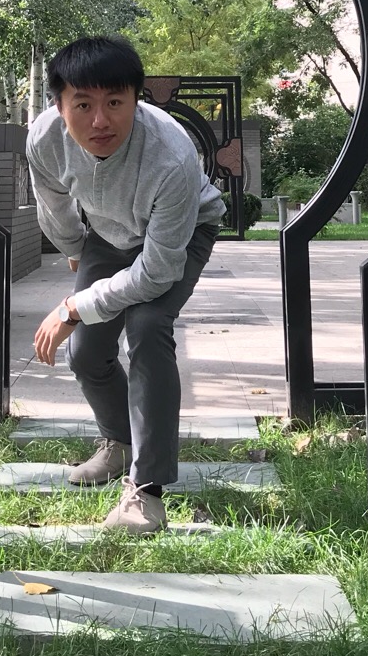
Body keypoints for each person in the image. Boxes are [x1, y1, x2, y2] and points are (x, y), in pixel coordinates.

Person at [27, 36, 225, 533]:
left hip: (180, 234)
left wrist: (74, 306)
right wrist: (75, 250)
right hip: (106, 232)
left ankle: (147, 490)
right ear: (59, 105)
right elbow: (53, 205)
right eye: (83, 105)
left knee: (147, 326)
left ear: (137, 99)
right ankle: (119, 443)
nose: (100, 120)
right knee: (87, 354)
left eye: (115, 102)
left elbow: (157, 271)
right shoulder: (44, 139)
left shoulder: (171, 155)